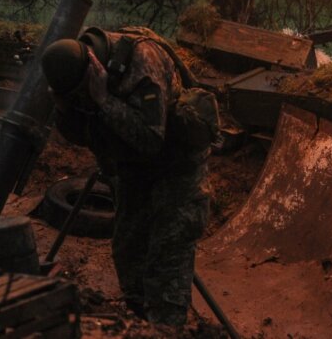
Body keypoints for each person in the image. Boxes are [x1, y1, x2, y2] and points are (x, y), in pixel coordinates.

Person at [40, 27, 211, 326]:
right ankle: (139, 324)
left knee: (165, 270)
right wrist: (65, 109)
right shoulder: (75, 71)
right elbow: (81, 133)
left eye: (83, 92)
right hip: (133, 172)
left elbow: (149, 139)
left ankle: (165, 328)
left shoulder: (143, 63)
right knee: (129, 257)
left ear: (93, 64)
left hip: (176, 172)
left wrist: (104, 100)